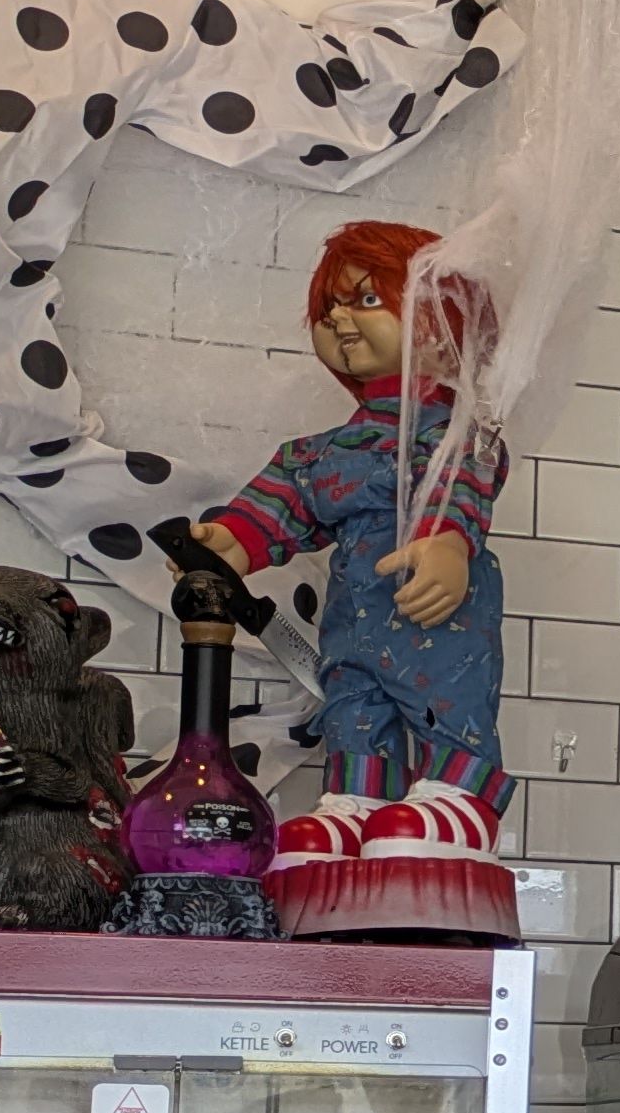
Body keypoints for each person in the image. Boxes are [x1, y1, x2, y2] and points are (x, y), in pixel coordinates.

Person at [193, 221, 512, 859]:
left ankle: (461, 799)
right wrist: (229, 542)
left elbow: (467, 479)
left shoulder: (458, 430)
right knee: (354, 704)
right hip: (354, 619)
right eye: (329, 305)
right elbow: (287, 499)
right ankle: (358, 801)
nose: (339, 317)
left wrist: (448, 543)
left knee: (445, 695)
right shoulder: (326, 450)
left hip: (438, 615)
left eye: (367, 300)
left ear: (444, 327)